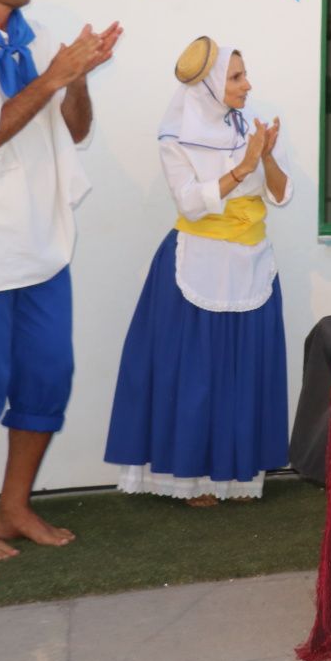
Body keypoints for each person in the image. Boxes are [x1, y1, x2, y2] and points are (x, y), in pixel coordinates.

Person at [0, 0, 118, 561]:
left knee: (48, 376)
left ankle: (13, 509)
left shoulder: (34, 35)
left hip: (42, 248)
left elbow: (74, 129)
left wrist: (75, 80)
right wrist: (54, 74)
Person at [105, 37, 289, 504]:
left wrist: (264, 156)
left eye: (244, 74)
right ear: (208, 86)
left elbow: (281, 195)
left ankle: (237, 474)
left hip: (251, 259)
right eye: (236, 77)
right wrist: (242, 165)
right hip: (197, 260)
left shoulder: (248, 126)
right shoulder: (174, 138)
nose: (248, 85)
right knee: (197, 374)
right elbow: (189, 200)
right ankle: (189, 477)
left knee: (243, 369)